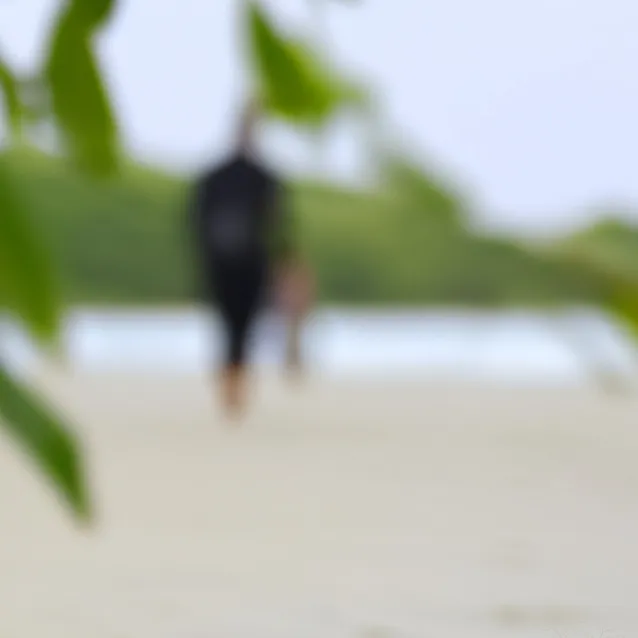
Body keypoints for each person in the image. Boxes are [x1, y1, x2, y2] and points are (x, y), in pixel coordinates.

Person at [187, 100, 312, 417]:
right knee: (235, 323)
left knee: (239, 324)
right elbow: (199, 222)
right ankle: (233, 384)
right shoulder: (232, 177)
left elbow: (276, 223)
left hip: (242, 262)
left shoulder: (247, 178)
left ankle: (234, 383)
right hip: (231, 262)